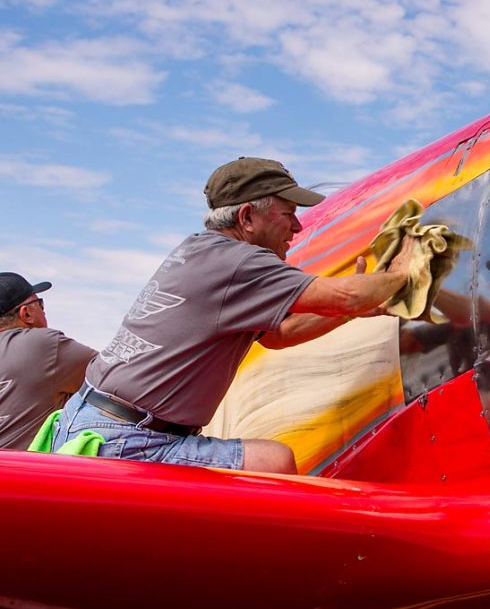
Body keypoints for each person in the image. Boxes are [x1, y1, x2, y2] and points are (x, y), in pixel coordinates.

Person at [50, 157, 420, 473]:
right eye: (289, 214)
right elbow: (343, 295)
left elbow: (280, 335)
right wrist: (403, 273)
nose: (297, 227)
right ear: (247, 218)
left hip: (99, 423)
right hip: (128, 438)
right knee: (273, 461)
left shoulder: (206, 253)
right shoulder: (238, 261)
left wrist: (349, 312)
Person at [0, 273, 97, 450]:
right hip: (19, 474)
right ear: (26, 313)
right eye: (40, 304)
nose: (44, 310)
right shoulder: (43, 345)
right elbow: (114, 376)